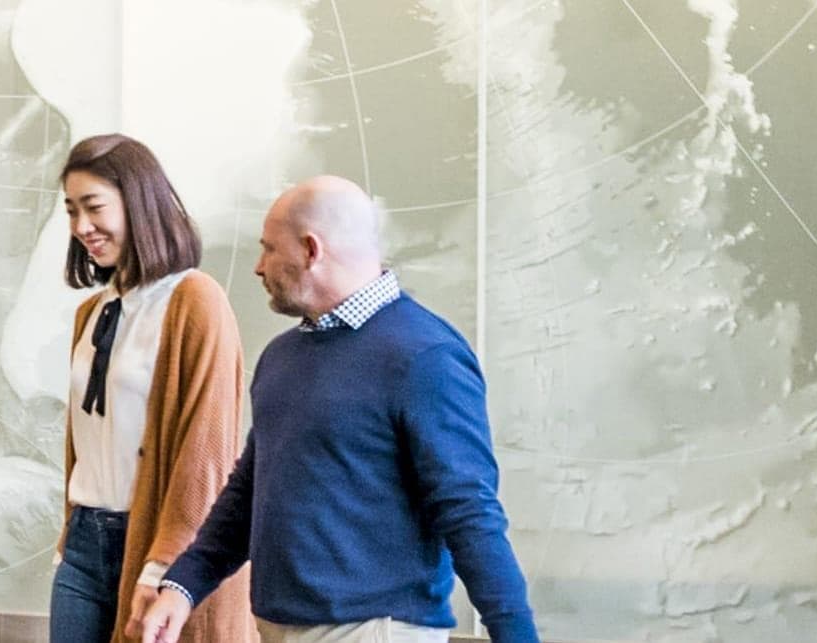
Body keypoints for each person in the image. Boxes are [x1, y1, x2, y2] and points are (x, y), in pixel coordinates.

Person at [138, 176, 537, 643]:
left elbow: (469, 511)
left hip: (373, 631)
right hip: (277, 628)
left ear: (311, 250)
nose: (258, 267)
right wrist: (183, 586)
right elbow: (252, 487)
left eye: (269, 249)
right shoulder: (281, 356)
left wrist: (516, 634)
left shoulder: (426, 356)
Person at [48, 134, 254, 643]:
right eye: (71, 211)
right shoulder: (90, 314)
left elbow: (204, 457)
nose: (81, 228)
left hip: (157, 544)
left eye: (94, 207)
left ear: (138, 203)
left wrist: (162, 566)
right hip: (83, 543)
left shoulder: (195, 299)